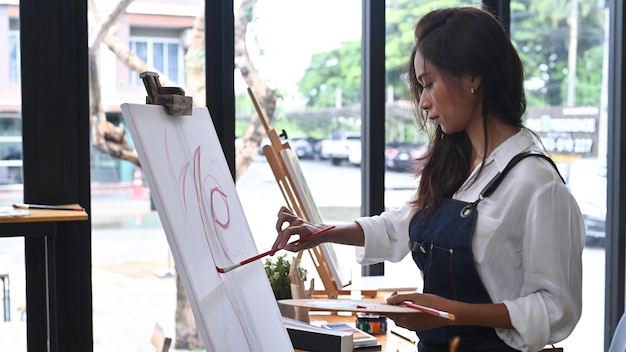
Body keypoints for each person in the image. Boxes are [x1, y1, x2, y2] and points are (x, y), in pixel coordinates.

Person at [273, 6, 584, 352]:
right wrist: (319, 232)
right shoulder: (454, 166)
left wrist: (452, 314)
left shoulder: (537, 183)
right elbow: (398, 227)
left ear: (472, 77)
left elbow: (556, 309)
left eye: (428, 83)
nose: (422, 102)